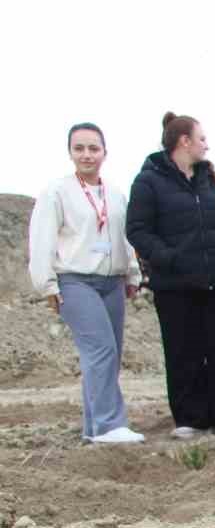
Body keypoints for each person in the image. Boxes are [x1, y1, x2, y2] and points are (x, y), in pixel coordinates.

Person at [127, 113, 215, 439]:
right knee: (183, 350)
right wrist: (170, 259)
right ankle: (189, 418)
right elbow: (138, 230)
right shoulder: (148, 182)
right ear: (184, 141)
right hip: (175, 285)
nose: (206, 145)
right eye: (202, 139)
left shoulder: (214, 180)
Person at [28, 123, 144, 444]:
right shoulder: (57, 191)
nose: (87, 155)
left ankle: (94, 429)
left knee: (111, 353)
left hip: (112, 282)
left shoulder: (115, 194)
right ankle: (110, 425)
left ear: (105, 152)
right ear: (70, 152)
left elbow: (123, 238)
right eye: (79, 148)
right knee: (100, 349)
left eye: (93, 148)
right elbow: (41, 240)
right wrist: (47, 285)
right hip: (75, 281)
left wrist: (132, 273)